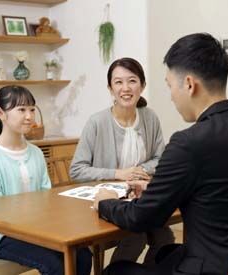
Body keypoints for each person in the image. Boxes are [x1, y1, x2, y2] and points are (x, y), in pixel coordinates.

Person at [94, 33, 228, 275]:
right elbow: (221, 191)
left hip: (219, 269)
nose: (171, 96)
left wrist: (106, 202)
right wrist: (158, 190)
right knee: (165, 253)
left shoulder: (188, 143)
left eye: (170, 86)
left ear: (189, 84)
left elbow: (141, 218)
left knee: (115, 271)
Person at [0, 85, 92, 275]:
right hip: (1, 236)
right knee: (55, 265)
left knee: (83, 255)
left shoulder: (36, 153)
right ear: (1, 113)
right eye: (21, 109)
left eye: (31, 109)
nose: (29, 116)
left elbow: (46, 198)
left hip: (38, 230)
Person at [70, 57, 175, 265]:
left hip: (140, 199)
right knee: (135, 235)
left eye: (132, 81)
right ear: (110, 88)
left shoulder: (150, 117)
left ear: (142, 85)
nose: (125, 88)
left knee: (166, 239)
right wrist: (118, 174)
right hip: (105, 202)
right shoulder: (97, 122)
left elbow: (161, 159)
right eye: (118, 82)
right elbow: (77, 170)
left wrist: (139, 170)